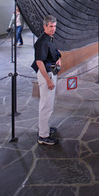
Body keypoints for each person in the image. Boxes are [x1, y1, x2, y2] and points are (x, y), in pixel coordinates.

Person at [31, 15, 62, 145]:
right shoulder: (43, 41)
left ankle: (45, 128)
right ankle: (43, 136)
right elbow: (39, 62)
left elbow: (53, 53)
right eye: (50, 26)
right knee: (46, 105)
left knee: (48, 104)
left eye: (54, 26)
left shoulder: (48, 39)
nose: (53, 29)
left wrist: (58, 59)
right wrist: (48, 80)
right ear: (45, 26)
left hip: (50, 72)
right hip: (46, 75)